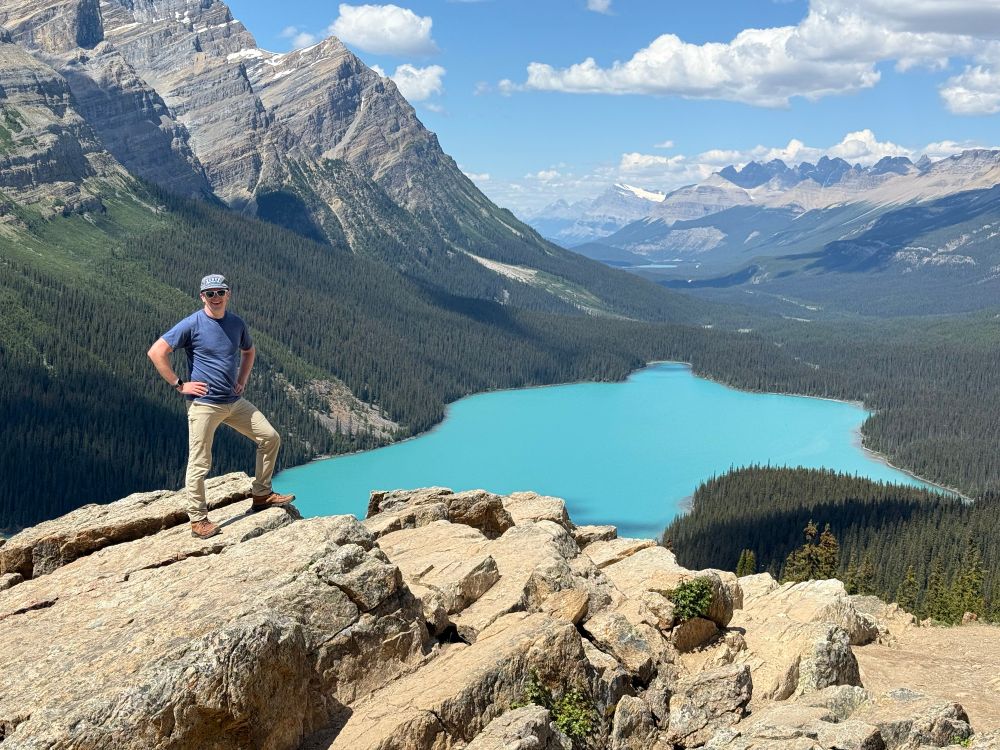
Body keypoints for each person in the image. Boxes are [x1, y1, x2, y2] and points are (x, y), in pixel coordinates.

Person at [147, 274, 294, 539]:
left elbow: (249, 351)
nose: (216, 298)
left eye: (220, 292)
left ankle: (262, 494)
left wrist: (242, 380)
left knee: (270, 437)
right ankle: (198, 521)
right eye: (210, 293)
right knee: (200, 463)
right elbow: (156, 351)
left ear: (228, 294)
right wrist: (180, 384)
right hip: (204, 405)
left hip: (233, 401)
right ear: (202, 296)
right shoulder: (192, 324)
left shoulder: (236, 323)